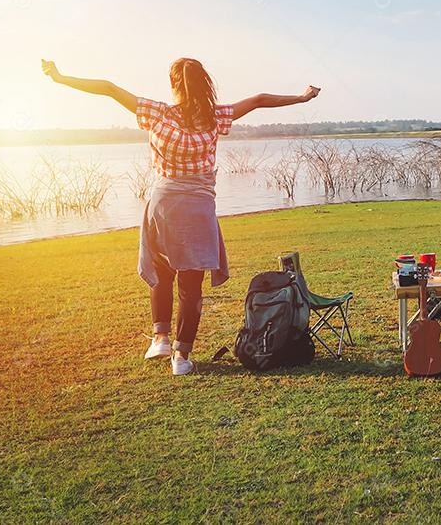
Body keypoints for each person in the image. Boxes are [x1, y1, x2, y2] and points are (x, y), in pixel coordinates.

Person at [42, 57, 320, 375]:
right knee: (191, 287)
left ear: (174, 84)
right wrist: (301, 97)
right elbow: (258, 100)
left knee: (161, 273)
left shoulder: (157, 113)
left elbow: (107, 88)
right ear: (204, 83)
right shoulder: (215, 116)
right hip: (198, 208)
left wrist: (61, 78)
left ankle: (160, 337)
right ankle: (181, 357)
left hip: (163, 204)